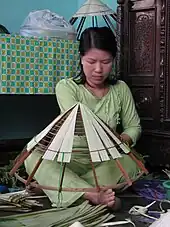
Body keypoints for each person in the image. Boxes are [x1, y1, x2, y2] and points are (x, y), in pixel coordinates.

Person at [25, 27, 144, 210]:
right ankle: (92, 194)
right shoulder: (67, 87)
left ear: (113, 60)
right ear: (81, 59)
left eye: (106, 62)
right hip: (71, 158)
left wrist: (123, 139)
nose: (98, 69)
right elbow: (80, 124)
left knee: (133, 164)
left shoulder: (120, 89)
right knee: (32, 155)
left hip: (106, 158)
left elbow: (133, 127)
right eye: (91, 61)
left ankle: (57, 188)